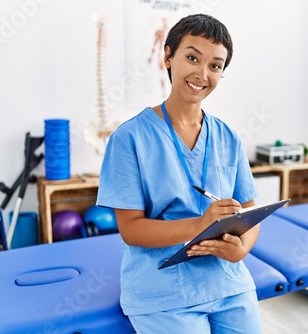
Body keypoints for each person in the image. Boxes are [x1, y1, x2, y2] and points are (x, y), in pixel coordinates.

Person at [97, 13, 263, 333]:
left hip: (228, 283)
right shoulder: (129, 139)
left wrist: (242, 247)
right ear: (168, 56)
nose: (202, 73)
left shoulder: (227, 136)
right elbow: (131, 229)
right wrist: (201, 224)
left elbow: (250, 210)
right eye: (192, 57)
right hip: (161, 288)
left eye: (215, 66)